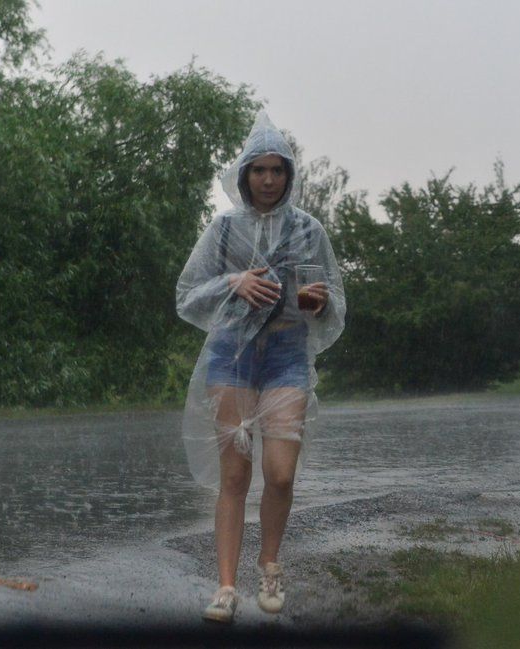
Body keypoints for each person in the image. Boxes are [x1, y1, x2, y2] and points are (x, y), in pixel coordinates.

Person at [176, 112, 346, 623]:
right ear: (244, 174)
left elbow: (334, 295)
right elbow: (187, 294)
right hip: (231, 357)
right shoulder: (224, 229)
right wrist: (233, 283)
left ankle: (269, 565)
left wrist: (319, 303)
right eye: (259, 170)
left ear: (290, 175)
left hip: (287, 357)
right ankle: (226, 586)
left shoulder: (307, 229)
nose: (269, 180)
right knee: (234, 475)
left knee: (279, 471)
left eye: (278, 171)